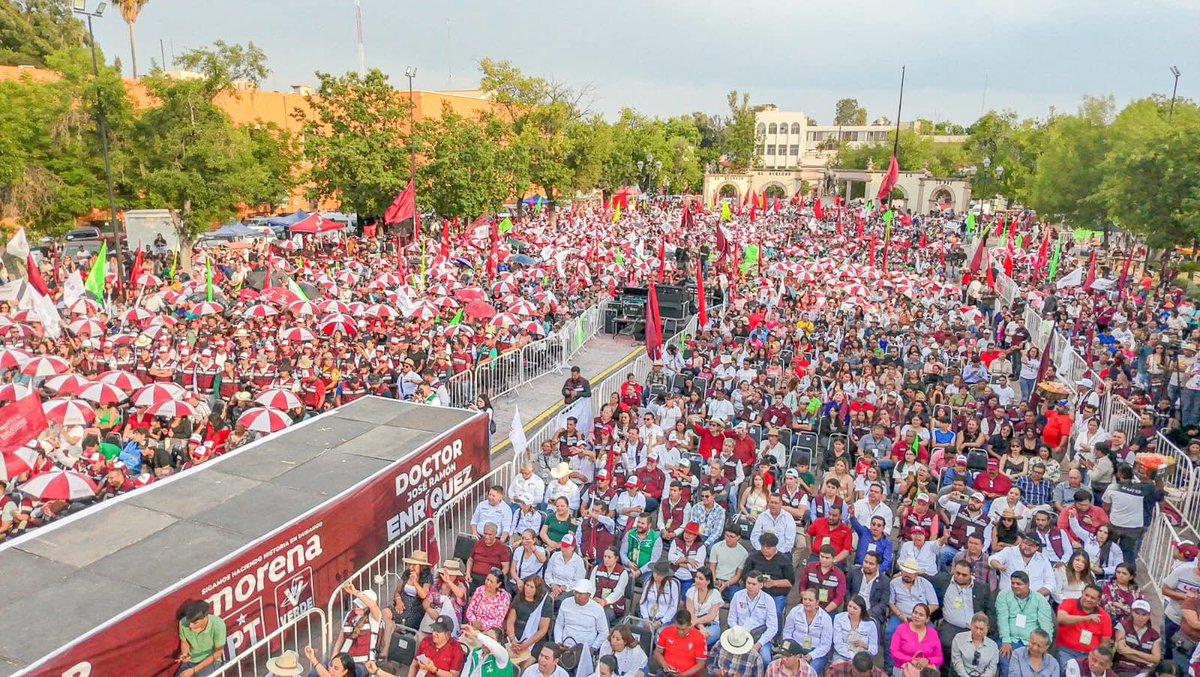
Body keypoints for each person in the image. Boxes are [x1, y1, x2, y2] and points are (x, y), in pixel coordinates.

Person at [996, 572, 1056, 676]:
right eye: (1013, 583)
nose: (1015, 586)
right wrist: (1005, 641)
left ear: (1028, 584)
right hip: (1010, 640)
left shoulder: (1039, 599)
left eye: (1019, 584)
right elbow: (1002, 619)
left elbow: (1046, 626)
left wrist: (1044, 647)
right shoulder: (1003, 595)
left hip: (1031, 643)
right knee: (1007, 666)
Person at [938, 560, 997, 662]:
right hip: (950, 626)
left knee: (973, 652)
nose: (960, 576)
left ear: (971, 575)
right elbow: (926, 577)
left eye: (964, 575)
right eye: (957, 573)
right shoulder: (944, 581)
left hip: (973, 628)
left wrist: (987, 632)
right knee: (945, 644)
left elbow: (990, 612)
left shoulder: (982, 588)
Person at [552, 579, 608, 676]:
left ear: (589, 595)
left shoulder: (597, 609)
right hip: (564, 647)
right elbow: (559, 624)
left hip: (584, 650)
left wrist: (593, 648)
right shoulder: (566, 602)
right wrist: (558, 642)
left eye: (580, 594)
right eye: (576, 592)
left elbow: (604, 632)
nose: (577, 596)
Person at [1054, 584, 1112, 668]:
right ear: (1082, 593)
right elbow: (1061, 618)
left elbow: (1105, 642)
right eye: (1086, 595)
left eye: (1092, 598)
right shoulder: (1069, 603)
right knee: (1068, 671)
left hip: (1089, 655)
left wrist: (1095, 658)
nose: (1088, 599)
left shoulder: (1105, 616)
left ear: (1098, 600)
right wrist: (1086, 618)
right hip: (1066, 651)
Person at [727, 573, 779, 664]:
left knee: (765, 659)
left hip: (759, 637)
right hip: (739, 634)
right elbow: (731, 619)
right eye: (748, 583)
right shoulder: (737, 595)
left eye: (753, 584)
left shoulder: (768, 600)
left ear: (761, 585)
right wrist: (738, 633)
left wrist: (758, 644)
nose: (750, 586)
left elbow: (773, 627)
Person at [504, 576, 552, 671]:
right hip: (516, 635)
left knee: (525, 666)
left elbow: (543, 629)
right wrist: (513, 640)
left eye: (531, 587)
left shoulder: (545, 602)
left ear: (537, 590)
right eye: (527, 585)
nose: (528, 589)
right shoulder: (519, 597)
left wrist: (526, 644)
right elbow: (510, 621)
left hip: (534, 640)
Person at [782, 588, 834, 673]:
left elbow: (826, 645)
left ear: (817, 602)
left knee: (808, 671)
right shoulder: (794, 611)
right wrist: (792, 651)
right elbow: (787, 633)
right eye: (805, 599)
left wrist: (811, 656)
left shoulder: (825, 618)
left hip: (816, 652)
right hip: (795, 648)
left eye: (810, 600)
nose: (807, 602)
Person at [889, 602, 943, 676]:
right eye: (915, 613)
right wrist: (911, 660)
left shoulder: (932, 633)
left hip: (925, 671)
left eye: (921, 615)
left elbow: (939, 658)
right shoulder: (901, 629)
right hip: (902, 669)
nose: (917, 616)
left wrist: (928, 661)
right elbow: (894, 652)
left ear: (927, 619)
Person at [175, 600, 226, 677]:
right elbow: (184, 641)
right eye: (189, 622)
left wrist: (194, 670)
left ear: (205, 618)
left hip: (211, 662)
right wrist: (184, 654)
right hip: (190, 662)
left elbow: (218, 653)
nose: (190, 626)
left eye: (195, 623)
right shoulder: (183, 623)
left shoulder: (218, 624)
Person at [336, 583, 383, 664]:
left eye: (360, 606)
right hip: (344, 659)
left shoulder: (373, 617)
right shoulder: (350, 614)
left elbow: (373, 606)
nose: (356, 607)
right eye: (356, 604)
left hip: (364, 662)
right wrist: (334, 658)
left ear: (367, 607)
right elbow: (340, 640)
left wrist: (355, 592)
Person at [654, 609, 708, 677]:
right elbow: (657, 653)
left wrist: (683, 675)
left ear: (690, 625)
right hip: (667, 672)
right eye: (677, 628)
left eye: (683, 629)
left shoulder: (699, 638)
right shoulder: (666, 631)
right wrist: (664, 665)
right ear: (674, 623)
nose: (680, 632)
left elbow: (701, 664)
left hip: (688, 675)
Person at [832, 595, 879, 664]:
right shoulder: (839, 618)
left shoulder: (870, 624)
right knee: (839, 666)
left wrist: (865, 645)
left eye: (855, 608)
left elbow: (874, 649)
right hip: (842, 654)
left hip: (862, 657)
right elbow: (838, 643)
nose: (851, 610)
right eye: (849, 606)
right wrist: (851, 657)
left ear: (861, 610)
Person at [950, 613, 999, 677]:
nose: (978, 631)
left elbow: (992, 668)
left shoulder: (993, 646)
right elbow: (957, 661)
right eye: (976, 628)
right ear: (971, 625)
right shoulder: (958, 638)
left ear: (987, 629)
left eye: (981, 629)